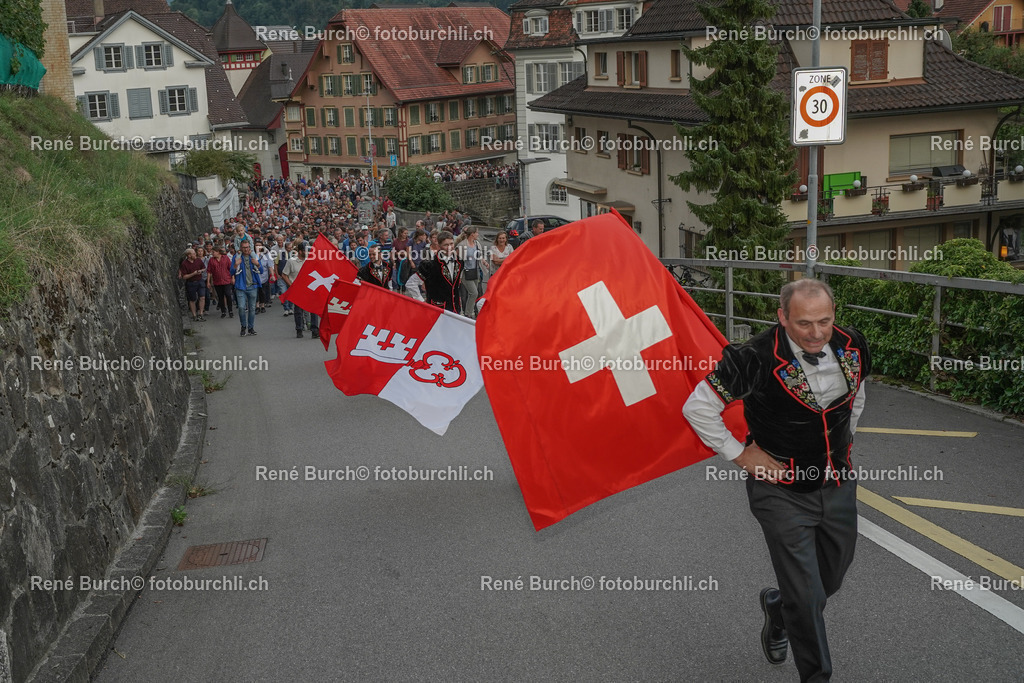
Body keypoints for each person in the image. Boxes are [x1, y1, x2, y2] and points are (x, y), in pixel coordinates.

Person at [682, 279, 870, 683]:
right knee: (806, 595)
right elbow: (697, 407)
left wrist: (844, 441)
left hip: (837, 482)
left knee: (829, 579)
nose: (817, 333)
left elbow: (857, 394)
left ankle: (779, 609)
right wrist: (739, 454)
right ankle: (816, 674)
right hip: (780, 491)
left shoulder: (852, 344)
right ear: (782, 316)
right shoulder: (753, 356)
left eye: (824, 321)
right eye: (804, 323)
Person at [280, 240, 320, 339]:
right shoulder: (291, 261)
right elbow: (284, 274)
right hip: (298, 290)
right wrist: (291, 286)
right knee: (298, 311)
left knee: (314, 309)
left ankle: (315, 330)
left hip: (310, 288)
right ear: (300, 251)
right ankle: (299, 329)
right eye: (306, 251)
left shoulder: (311, 260)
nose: (308, 253)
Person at [417, 230, 462, 312]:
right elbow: (411, 283)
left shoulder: (460, 261)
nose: (449, 247)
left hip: (455, 308)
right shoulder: (429, 264)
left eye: (451, 244)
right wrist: (421, 301)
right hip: (438, 309)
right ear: (439, 246)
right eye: (446, 245)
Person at [231, 240, 262, 336]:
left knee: (252, 308)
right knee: (241, 307)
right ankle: (243, 326)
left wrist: (257, 264)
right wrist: (236, 264)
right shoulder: (236, 257)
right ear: (241, 248)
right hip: (241, 286)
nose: (246, 249)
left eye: (247, 247)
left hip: (252, 286)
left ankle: (251, 328)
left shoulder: (254, 256)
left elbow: (261, 270)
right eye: (244, 247)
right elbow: (231, 272)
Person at [455, 226, 483, 318]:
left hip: (475, 271)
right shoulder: (462, 245)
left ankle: (469, 312)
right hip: (465, 272)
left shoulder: (477, 243)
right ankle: (468, 314)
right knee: (474, 293)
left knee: (474, 294)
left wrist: (484, 262)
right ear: (472, 234)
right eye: (477, 233)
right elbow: (456, 258)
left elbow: (479, 256)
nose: (478, 234)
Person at [178, 248, 207, 321]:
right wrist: (193, 274)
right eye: (193, 254)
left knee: (202, 297)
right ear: (189, 255)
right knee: (192, 299)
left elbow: (204, 268)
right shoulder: (184, 264)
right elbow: (184, 277)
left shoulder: (198, 260)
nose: (195, 254)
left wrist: (201, 271)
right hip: (191, 283)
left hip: (200, 281)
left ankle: (201, 314)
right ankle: (194, 315)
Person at [206, 246, 234, 319]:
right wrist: (208, 282)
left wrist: (232, 277)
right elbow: (209, 271)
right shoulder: (211, 260)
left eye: (213, 252)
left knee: (228, 294)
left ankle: (230, 310)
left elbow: (230, 268)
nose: (212, 253)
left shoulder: (225, 258)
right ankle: (223, 311)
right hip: (217, 281)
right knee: (220, 296)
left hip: (226, 279)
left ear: (218, 252)